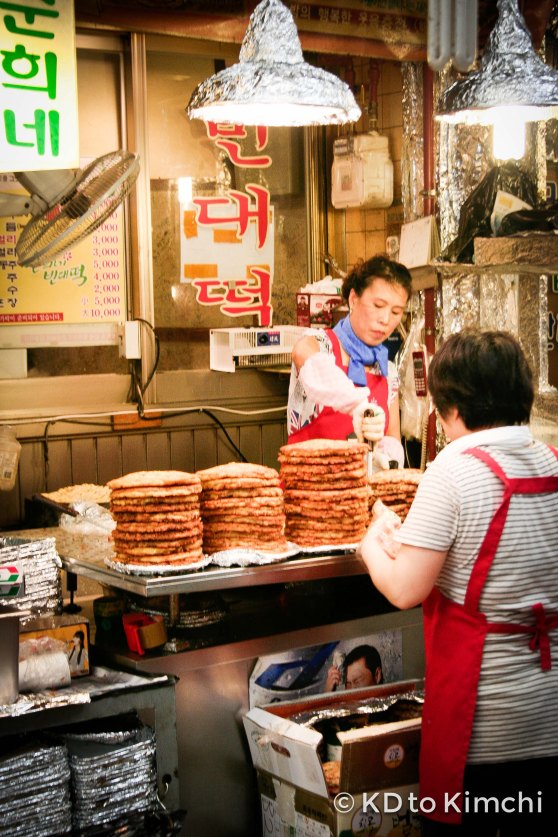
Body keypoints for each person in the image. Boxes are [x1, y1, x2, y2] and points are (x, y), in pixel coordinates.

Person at [358, 329, 558, 834]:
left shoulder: (453, 468)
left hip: (485, 727)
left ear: (449, 407)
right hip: (548, 716)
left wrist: (370, 544)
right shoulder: (550, 462)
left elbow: (405, 588)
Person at [287, 255, 412, 469]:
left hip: (358, 494)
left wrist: (385, 461)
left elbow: (392, 438)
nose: (385, 319)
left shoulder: (387, 371)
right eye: (378, 305)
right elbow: (302, 353)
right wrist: (357, 405)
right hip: (309, 490)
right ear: (354, 299)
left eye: (395, 312)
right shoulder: (321, 345)